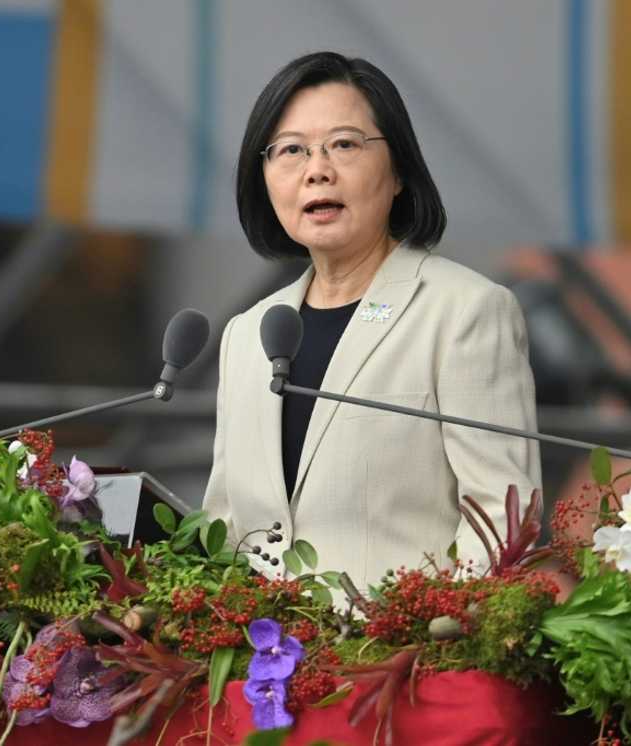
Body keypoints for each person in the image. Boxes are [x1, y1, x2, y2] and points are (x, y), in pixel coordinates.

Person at [203, 52, 541, 591]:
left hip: (401, 661)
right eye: (291, 150)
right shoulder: (248, 335)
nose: (317, 169)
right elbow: (225, 529)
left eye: (344, 144)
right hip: (265, 666)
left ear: (399, 170)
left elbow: (502, 521)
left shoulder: (463, 311)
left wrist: (442, 644)